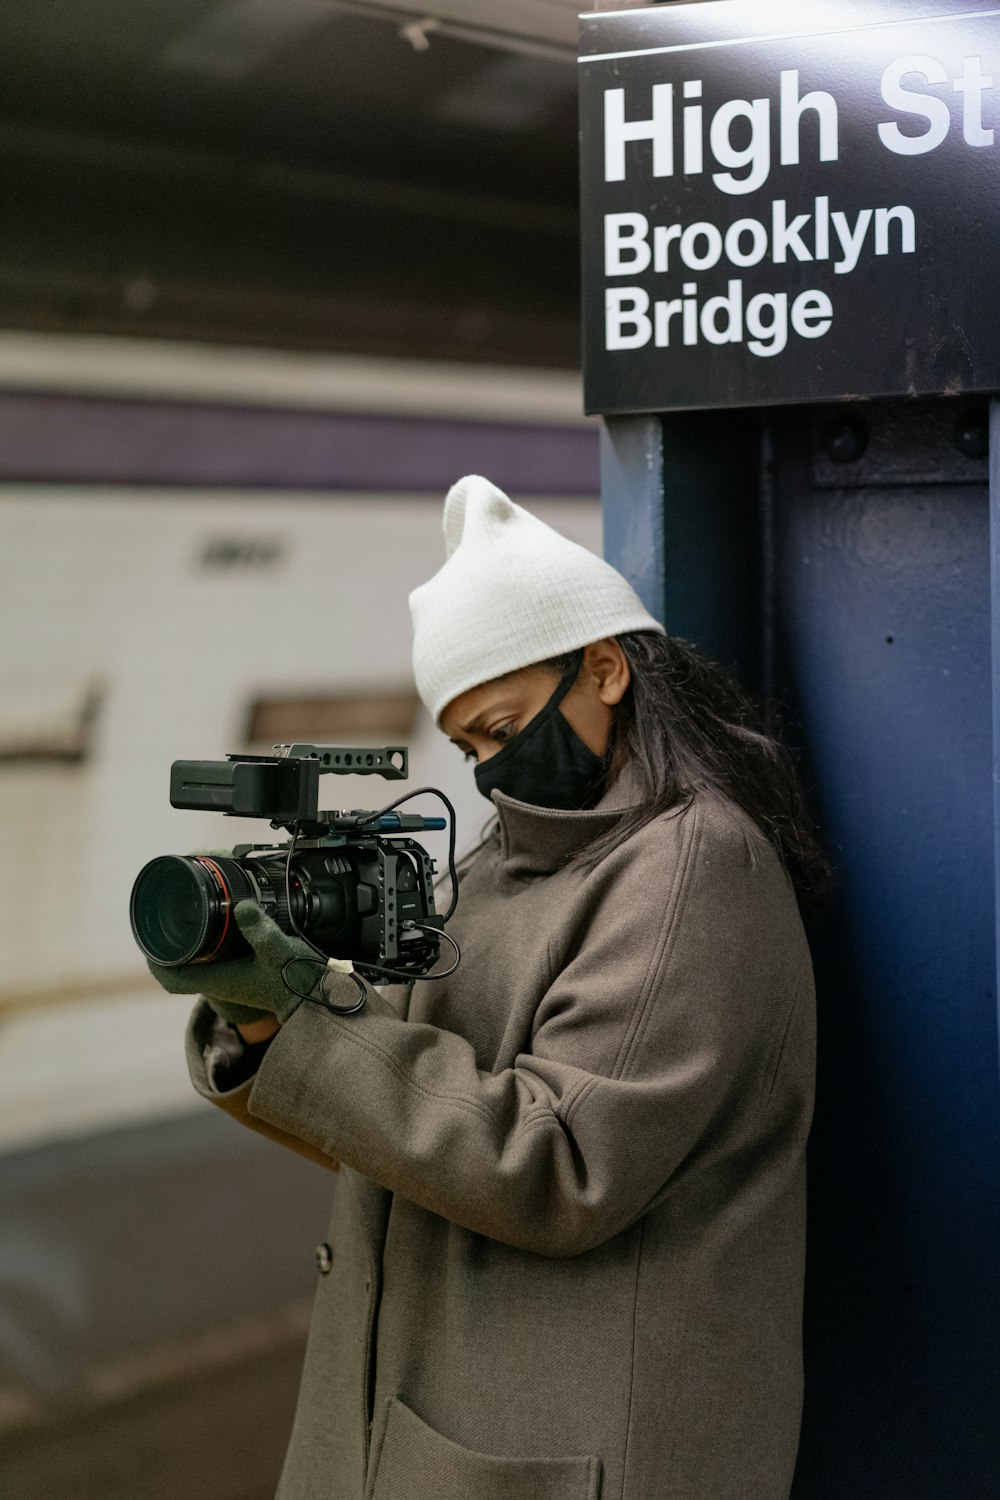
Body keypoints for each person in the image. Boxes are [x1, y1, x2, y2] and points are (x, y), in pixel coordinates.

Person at [150, 474, 822, 1500]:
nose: (491, 775)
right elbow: (396, 1120)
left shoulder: (688, 869)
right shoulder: (505, 859)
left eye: (505, 729)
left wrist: (309, 1021)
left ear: (602, 669)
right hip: (445, 1425)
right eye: (467, 747)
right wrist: (261, 1022)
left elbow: (555, 1163)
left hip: (577, 1452)